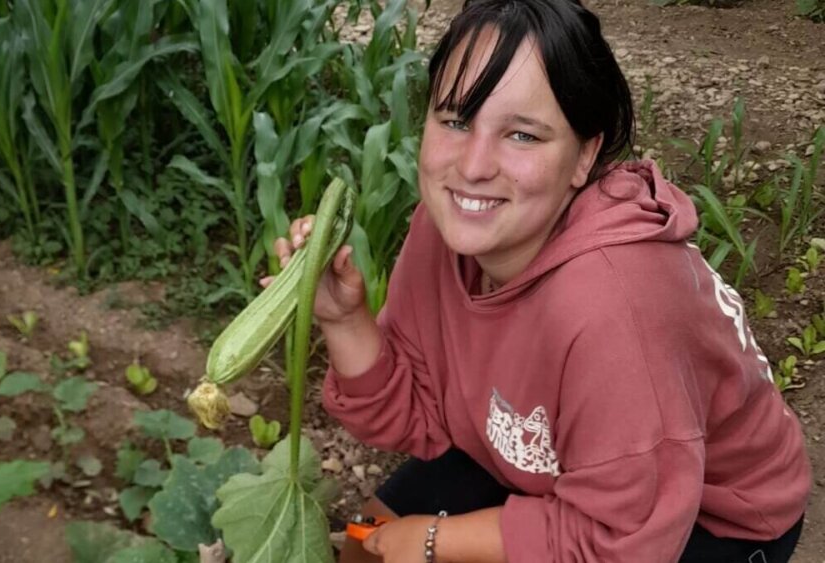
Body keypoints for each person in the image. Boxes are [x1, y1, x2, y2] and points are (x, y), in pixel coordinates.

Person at [263, 0, 812, 561]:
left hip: (701, 520)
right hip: (547, 470)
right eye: (455, 120)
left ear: (585, 155)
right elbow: (418, 416)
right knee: (361, 547)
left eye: (522, 135)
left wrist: (434, 539)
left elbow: (619, 542)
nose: (474, 167)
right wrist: (344, 318)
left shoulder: (614, 306)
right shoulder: (451, 225)